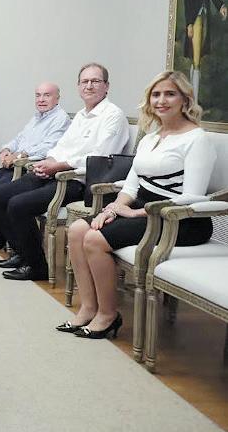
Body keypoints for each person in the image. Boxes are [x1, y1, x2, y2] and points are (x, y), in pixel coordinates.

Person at [59, 71, 215, 339]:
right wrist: (112, 209)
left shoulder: (197, 138)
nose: (161, 101)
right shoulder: (151, 138)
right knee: (76, 231)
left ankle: (108, 315)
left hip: (179, 219)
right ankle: (88, 308)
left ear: (185, 99)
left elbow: (190, 197)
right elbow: (131, 186)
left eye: (170, 94)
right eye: (156, 94)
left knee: (94, 239)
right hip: (143, 210)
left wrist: (133, 213)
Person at [0, 63, 130, 281]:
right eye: (84, 81)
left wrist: (59, 165)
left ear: (107, 86)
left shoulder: (113, 116)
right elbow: (60, 147)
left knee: (18, 205)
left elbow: (99, 158)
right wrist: (48, 162)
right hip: (55, 172)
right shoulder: (81, 115)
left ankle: (36, 267)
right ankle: (21, 253)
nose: (89, 86)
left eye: (95, 81)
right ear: (78, 86)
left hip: (79, 182)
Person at [0, 82, 71, 251]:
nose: (41, 99)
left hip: (27, 168)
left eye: (47, 95)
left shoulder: (61, 119)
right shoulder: (37, 117)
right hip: (12, 165)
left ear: (57, 98)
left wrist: (19, 155)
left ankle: (3, 237)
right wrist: (7, 149)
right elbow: (19, 138)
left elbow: (48, 147)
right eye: (38, 95)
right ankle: (2, 231)